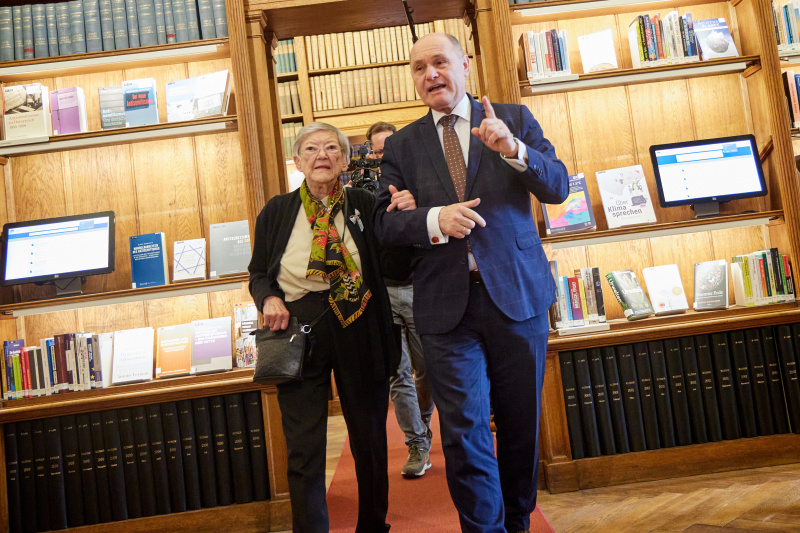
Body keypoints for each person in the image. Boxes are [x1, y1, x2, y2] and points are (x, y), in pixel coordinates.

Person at [373, 33, 569, 533]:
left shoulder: (514, 119)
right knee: (464, 432)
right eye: (419, 67)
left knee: (520, 426)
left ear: (464, 63)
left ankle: (518, 522)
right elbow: (385, 226)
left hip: (517, 298)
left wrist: (513, 149)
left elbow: (558, 187)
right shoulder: (401, 145)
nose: (430, 74)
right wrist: (435, 219)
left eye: (439, 62)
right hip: (445, 309)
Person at [248, 122, 402, 533]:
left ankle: (373, 525)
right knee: (303, 448)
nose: (322, 155)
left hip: (360, 324)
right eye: (311, 149)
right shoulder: (277, 211)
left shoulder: (366, 204)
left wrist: (405, 222)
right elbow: (259, 273)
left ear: (345, 159)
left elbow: (394, 268)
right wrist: (270, 299)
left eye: (332, 148)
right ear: (298, 161)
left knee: (369, 441)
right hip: (299, 328)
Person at [367, 120, 436, 478]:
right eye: (378, 151)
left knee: (428, 371)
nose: (383, 155)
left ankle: (423, 425)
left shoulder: (421, 181)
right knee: (397, 374)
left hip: (422, 288)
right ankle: (417, 443)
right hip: (383, 294)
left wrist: (417, 204)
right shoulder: (363, 192)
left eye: (388, 148)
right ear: (371, 154)